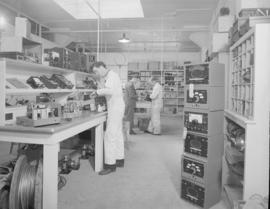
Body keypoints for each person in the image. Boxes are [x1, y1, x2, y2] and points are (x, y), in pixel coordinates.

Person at [91, 61, 125, 175]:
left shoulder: (111, 75)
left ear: (101, 67)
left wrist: (97, 92)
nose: (96, 73)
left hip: (115, 108)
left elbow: (109, 91)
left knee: (109, 135)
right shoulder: (112, 76)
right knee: (117, 134)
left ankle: (110, 165)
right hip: (117, 107)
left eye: (96, 71)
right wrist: (100, 86)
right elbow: (109, 90)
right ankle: (119, 159)